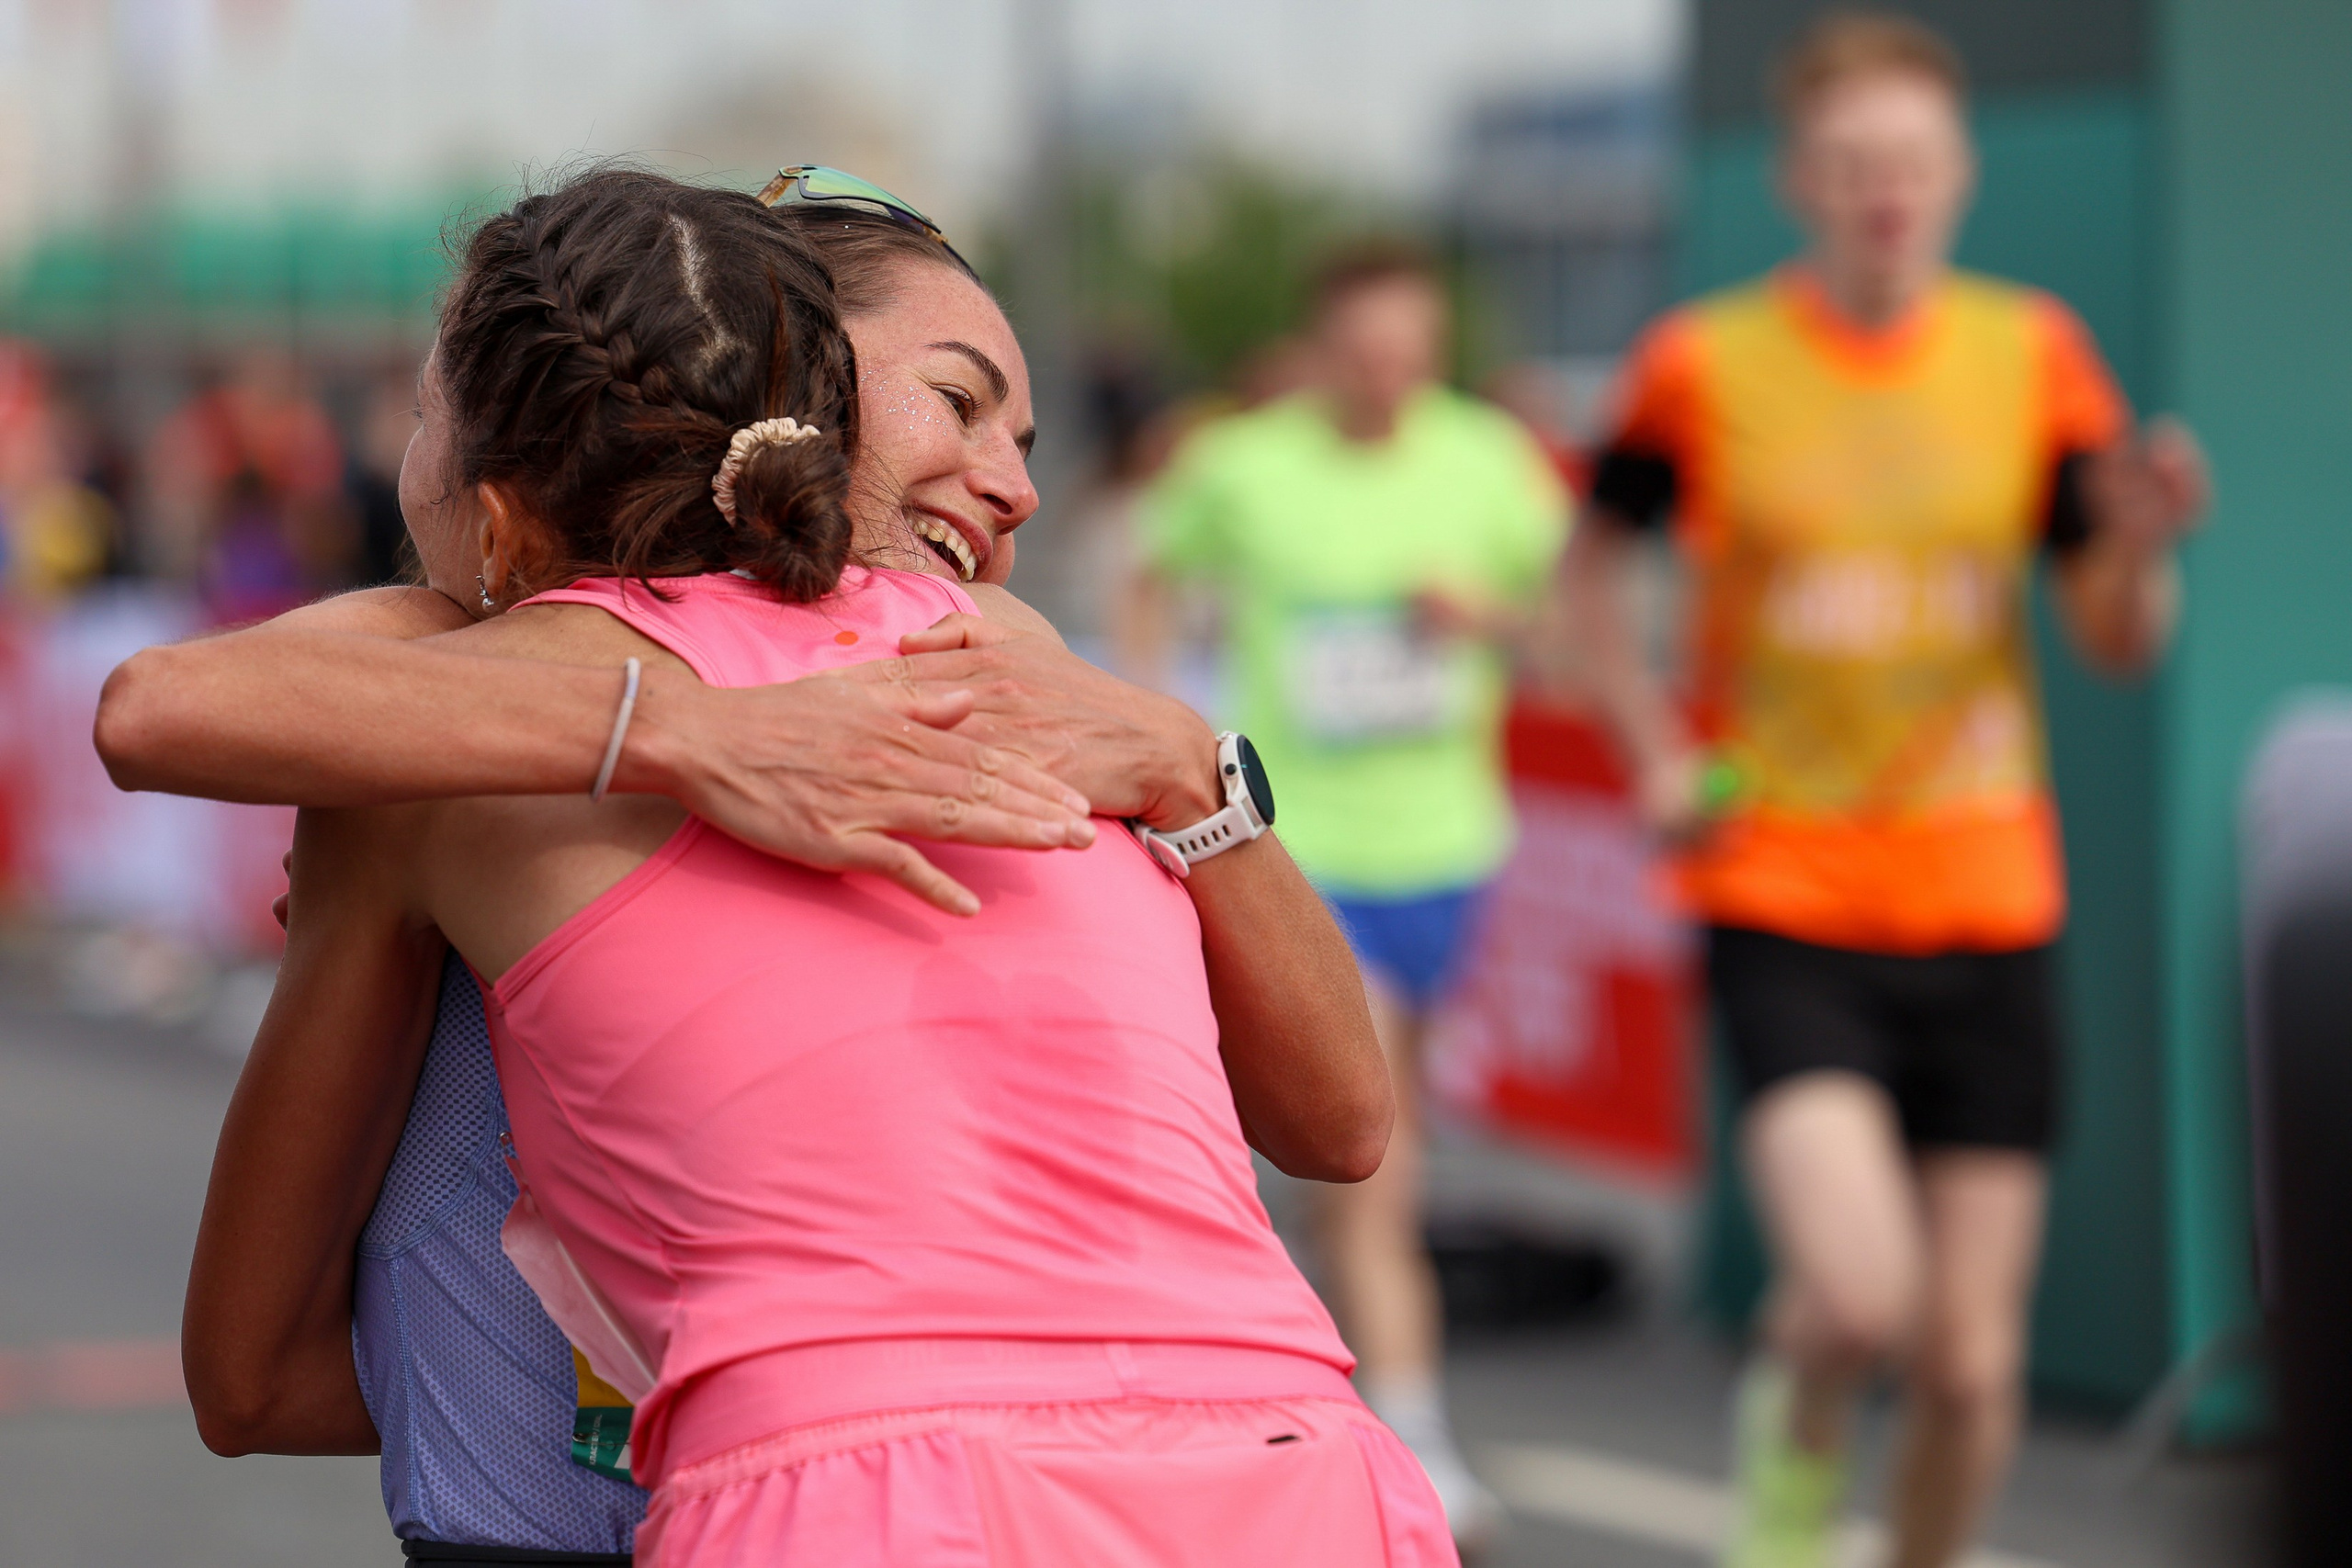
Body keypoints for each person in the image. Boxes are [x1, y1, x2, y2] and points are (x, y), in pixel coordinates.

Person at [162, 167, 1449, 1564]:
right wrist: (688, 736)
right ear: (798, 391)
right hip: (1280, 1473)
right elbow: (174, 707)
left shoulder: (1019, 674)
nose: (1016, 483)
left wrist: (1200, 774)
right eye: (957, 403)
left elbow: (255, 1377)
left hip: (833, 1489)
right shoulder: (459, 714)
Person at [1563, 17, 2209, 1568]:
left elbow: (2118, 644)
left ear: (1961, 175)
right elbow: (1589, 576)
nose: (1884, 192)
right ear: (1798, 180)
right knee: (1860, 1296)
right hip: (1785, 884)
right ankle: (1784, 1507)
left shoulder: (2030, 354)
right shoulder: (1701, 365)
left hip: (1988, 894)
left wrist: (2141, 546)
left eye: (1911, 162)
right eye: (1853, 164)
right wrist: (1653, 744)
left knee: (1974, 1368)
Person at [1131, 242, 1569, 1545]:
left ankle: (1299, 1345)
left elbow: (1562, 625)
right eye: (1364, 357)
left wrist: (1482, 618)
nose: (1388, 382)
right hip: (1305, 853)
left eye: (1410, 358)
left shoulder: (1487, 458)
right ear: (1324, 350)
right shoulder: (1248, 465)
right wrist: (1168, 720)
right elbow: (1150, 568)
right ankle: (1414, 1433)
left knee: (1377, 1140)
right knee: (1380, 1163)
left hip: (1449, 848)